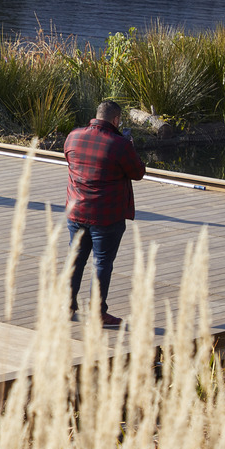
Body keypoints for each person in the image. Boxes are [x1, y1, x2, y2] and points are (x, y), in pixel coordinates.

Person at [63, 99, 146, 327]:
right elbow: (138, 172)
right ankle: (98, 313)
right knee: (101, 263)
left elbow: (70, 160)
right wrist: (129, 145)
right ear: (116, 120)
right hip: (106, 217)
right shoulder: (120, 144)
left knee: (75, 258)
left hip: (76, 211)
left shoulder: (73, 136)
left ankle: (66, 306)